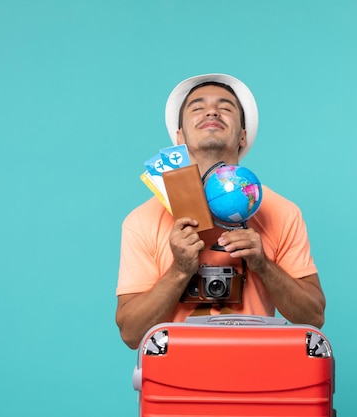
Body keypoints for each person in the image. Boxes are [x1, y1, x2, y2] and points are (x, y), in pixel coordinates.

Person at [115, 73, 325, 349]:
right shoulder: (142, 220)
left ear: (242, 135)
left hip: (256, 377)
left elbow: (314, 317)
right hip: (177, 383)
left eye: (225, 107)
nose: (212, 111)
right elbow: (131, 333)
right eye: (197, 107)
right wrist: (179, 271)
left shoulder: (282, 212)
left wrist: (263, 265)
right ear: (179, 136)